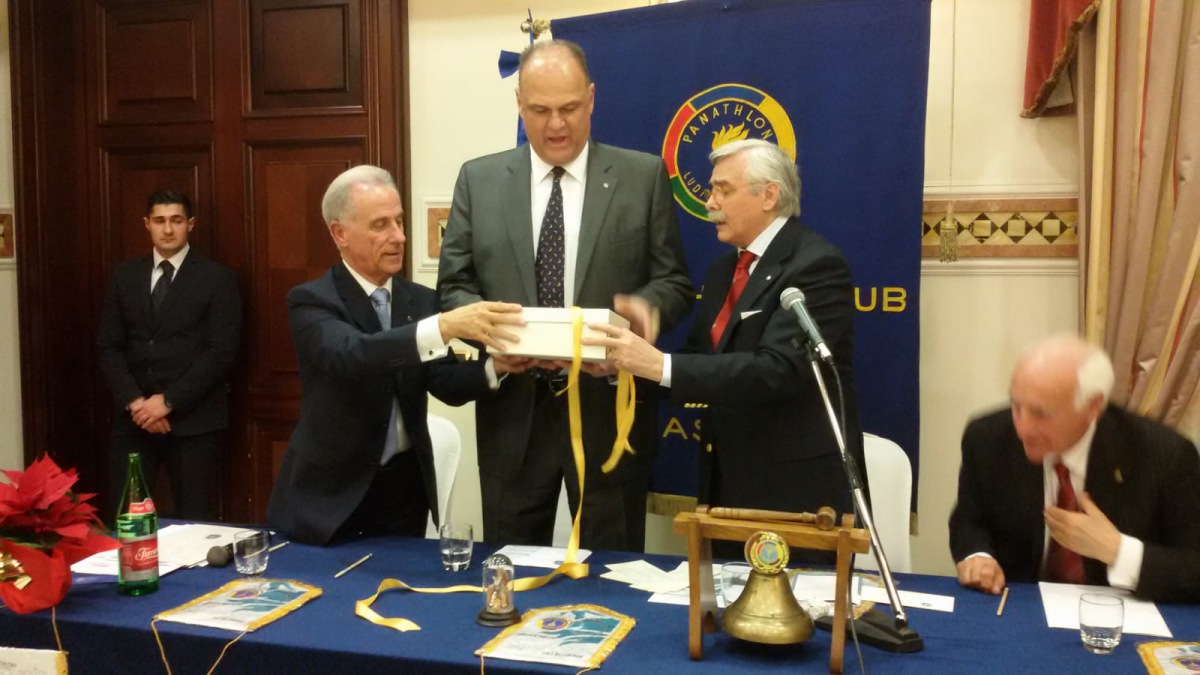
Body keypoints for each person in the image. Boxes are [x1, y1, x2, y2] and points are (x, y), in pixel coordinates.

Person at [437, 40, 694, 552]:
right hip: (512, 414)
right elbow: (454, 287)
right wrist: (492, 333)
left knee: (612, 570)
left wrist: (643, 317)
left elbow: (673, 282)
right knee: (511, 566)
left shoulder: (641, 177)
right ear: (519, 104)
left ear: (592, 98)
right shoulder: (479, 180)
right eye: (540, 110)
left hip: (607, 413)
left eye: (570, 108)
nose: (557, 125)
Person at [584, 139, 865, 560]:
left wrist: (656, 363)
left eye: (723, 190)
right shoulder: (723, 271)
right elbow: (700, 363)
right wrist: (621, 369)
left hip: (796, 497)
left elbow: (778, 370)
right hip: (726, 488)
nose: (709, 202)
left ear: (769, 195)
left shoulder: (814, 264)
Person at [267, 165, 529, 546]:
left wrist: (496, 367)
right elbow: (354, 354)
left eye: (400, 221)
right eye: (380, 225)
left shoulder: (418, 300)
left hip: (404, 490)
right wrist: (444, 326)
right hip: (331, 494)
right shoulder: (311, 301)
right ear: (340, 233)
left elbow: (444, 382)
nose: (399, 237)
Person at [949, 334, 1200, 602]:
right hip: (1016, 609)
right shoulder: (987, 438)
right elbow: (969, 521)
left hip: (1117, 615)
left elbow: (1194, 566)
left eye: (1041, 413)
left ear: (1093, 406)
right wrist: (978, 556)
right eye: (1016, 406)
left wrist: (1117, 550)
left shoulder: (1165, 455)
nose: (1022, 429)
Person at [98, 189, 242, 522]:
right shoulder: (125, 276)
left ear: (190, 224)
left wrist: (168, 401)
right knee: (127, 519)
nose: (167, 229)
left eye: (176, 220)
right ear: (146, 224)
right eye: (159, 220)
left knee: (196, 521)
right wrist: (138, 403)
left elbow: (221, 351)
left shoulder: (217, 278)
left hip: (194, 422)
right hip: (134, 421)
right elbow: (109, 346)